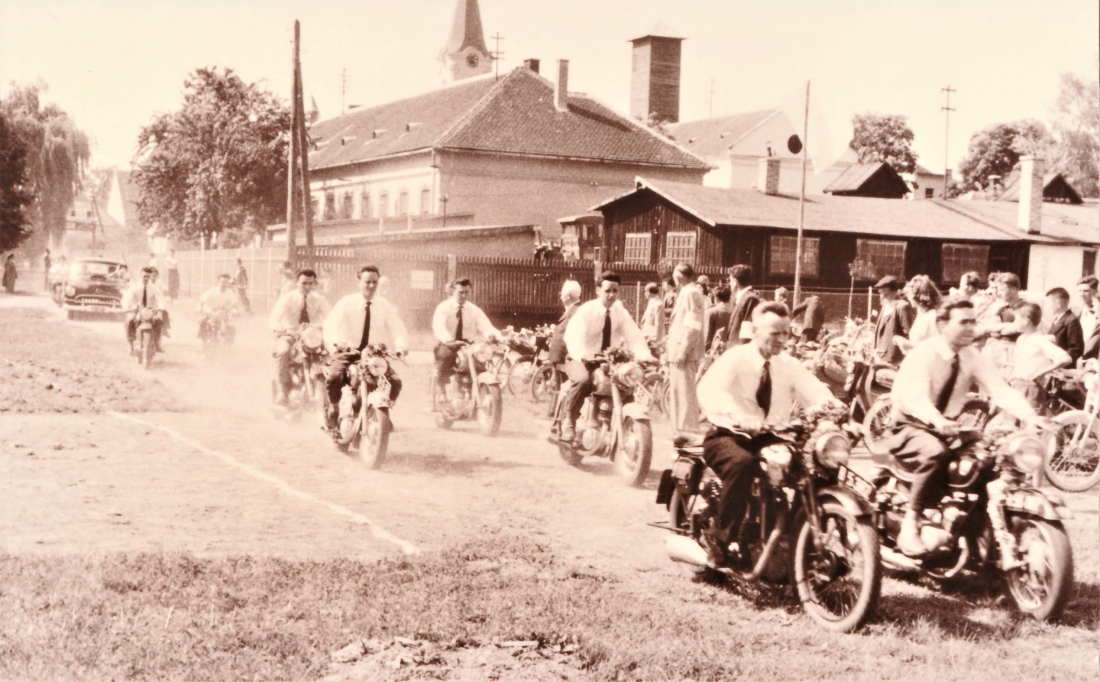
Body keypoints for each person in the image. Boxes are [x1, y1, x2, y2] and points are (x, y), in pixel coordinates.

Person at [886, 296, 1045, 556]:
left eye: (973, 321)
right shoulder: (924, 354)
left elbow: (999, 389)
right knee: (936, 453)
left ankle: (981, 533)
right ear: (942, 324)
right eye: (964, 322)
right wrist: (937, 420)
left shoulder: (971, 356)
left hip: (948, 428)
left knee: (990, 458)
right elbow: (915, 397)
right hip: (910, 426)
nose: (971, 328)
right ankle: (910, 524)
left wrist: (1030, 416)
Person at [696, 302, 841, 565]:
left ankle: (800, 541)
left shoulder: (789, 364)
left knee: (818, 467)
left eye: (786, 333)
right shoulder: (736, 357)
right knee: (744, 465)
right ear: (754, 330)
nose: (782, 339)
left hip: (771, 437)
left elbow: (814, 389)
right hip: (729, 434)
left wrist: (831, 406)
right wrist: (738, 415)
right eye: (774, 333)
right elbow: (709, 390)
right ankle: (719, 540)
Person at [557, 271, 653, 442]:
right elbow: (573, 335)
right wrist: (583, 354)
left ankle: (621, 427)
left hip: (607, 362)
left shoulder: (619, 311)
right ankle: (568, 422)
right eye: (608, 290)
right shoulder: (587, 310)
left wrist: (644, 355)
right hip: (580, 359)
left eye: (615, 291)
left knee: (626, 386)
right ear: (598, 290)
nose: (611, 295)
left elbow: (634, 335)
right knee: (583, 380)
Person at [322, 265, 408, 429]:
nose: (371, 286)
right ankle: (333, 407)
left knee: (395, 382)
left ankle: (379, 414)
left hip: (373, 355)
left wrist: (401, 347)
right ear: (358, 282)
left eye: (375, 282)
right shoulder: (347, 302)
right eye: (367, 282)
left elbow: (398, 328)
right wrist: (336, 342)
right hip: (348, 352)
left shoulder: (384, 305)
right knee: (335, 377)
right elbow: (331, 325)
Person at [269, 268, 332, 405]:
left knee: (332, 353)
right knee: (283, 350)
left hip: (312, 337)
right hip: (290, 335)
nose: (307, 287)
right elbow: (274, 318)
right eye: (304, 283)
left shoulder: (319, 299)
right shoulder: (287, 298)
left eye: (311, 283)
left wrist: (323, 325)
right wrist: (278, 327)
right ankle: (282, 390)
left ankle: (333, 395)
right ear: (296, 282)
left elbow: (332, 317)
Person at [431, 277, 500, 392]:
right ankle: (441, 389)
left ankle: (477, 387)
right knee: (446, 356)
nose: (463, 295)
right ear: (453, 291)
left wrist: (494, 336)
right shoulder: (444, 307)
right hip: (449, 343)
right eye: (460, 292)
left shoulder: (474, 309)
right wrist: (448, 340)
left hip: (468, 344)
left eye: (466, 292)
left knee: (483, 359)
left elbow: (486, 327)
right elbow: (438, 326)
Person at [667, 263, 707, 434]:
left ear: (679, 276)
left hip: (684, 354)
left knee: (685, 396)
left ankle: (688, 433)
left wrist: (683, 350)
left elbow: (693, 325)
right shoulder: (685, 292)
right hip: (677, 351)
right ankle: (680, 432)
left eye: (675, 275)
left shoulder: (691, 293)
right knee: (678, 394)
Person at [1008, 302, 1071, 409]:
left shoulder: (1039, 340)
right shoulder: (1021, 339)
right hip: (1017, 385)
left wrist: (1042, 372)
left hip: (1031, 389)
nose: (1014, 322)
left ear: (1025, 320)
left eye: (1016, 319)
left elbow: (1065, 358)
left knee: (1031, 423)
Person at [547, 279, 583, 406]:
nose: (560, 296)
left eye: (562, 293)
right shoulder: (571, 310)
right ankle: (555, 414)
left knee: (564, 390)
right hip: (559, 358)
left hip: (565, 359)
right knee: (558, 389)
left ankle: (560, 415)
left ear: (567, 297)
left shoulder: (576, 312)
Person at [872, 275, 914, 365]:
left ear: (887, 290)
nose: (879, 292)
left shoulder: (902, 306)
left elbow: (908, 333)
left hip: (894, 358)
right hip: (880, 354)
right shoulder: (885, 306)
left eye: (881, 289)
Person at [121, 267, 165, 351]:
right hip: (137, 310)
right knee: (129, 320)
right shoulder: (135, 287)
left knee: (159, 320)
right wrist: (127, 307)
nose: (146, 278)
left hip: (150, 310)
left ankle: (157, 343)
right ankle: (131, 344)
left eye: (148, 276)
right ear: (140, 275)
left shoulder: (154, 288)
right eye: (144, 276)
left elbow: (160, 299)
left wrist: (161, 307)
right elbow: (126, 298)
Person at [898, 275, 942, 351]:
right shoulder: (920, 315)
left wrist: (909, 345)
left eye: (910, 294)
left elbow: (939, 346)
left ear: (918, 296)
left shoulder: (933, 316)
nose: (908, 297)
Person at [197, 274, 241, 344]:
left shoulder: (230, 293)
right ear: (219, 282)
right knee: (203, 322)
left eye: (226, 282)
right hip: (212, 313)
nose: (224, 284)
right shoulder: (212, 291)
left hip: (224, 315)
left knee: (232, 327)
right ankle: (204, 343)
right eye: (222, 282)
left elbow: (235, 305)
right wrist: (200, 308)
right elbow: (201, 300)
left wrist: (235, 311)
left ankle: (229, 345)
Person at [1045, 287, 1084, 365]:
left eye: (1049, 303)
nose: (1047, 306)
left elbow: (1076, 349)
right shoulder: (1058, 319)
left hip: (1063, 368)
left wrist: (1058, 360)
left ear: (1059, 303)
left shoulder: (1072, 320)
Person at [725, 265, 760, 347]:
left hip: (740, 350)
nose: (729, 284)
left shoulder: (751, 299)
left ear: (735, 281)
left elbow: (747, 333)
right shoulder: (741, 297)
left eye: (730, 280)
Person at [705, 286, 733, 351]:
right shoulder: (734, 312)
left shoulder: (711, 312)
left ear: (716, 298)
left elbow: (707, 335)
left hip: (715, 350)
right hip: (730, 349)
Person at [1077, 275, 1098, 341]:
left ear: (1095, 291)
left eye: (1086, 291)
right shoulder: (1076, 311)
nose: (1082, 294)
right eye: (1080, 291)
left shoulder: (1098, 311)